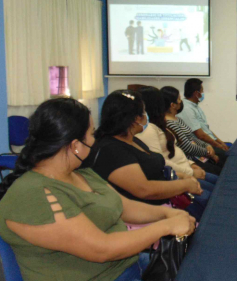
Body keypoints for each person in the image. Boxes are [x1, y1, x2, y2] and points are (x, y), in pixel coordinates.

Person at [0, 98, 196, 281]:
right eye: (90, 134)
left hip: (123, 271)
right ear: (75, 145)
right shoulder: (32, 196)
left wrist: (166, 213)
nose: (95, 140)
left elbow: (124, 207)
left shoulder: (80, 173)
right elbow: (102, 249)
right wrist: (165, 225)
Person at [82, 90, 208, 221]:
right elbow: (144, 189)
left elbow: (155, 168)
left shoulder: (132, 139)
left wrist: (182, 176)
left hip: (169, 201)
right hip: (150, 215)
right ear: (136, 119)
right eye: (143, 112)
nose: (146, 116)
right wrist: (185, 185)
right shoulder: (111, 150)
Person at [137, 86, 218, 186]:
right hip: (178, 175)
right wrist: (191, 171)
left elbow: (180, 146)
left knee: (217, 179)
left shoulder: (160, 124)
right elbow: (160, 161)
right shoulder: (148, 130)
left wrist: (191, 164)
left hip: (187, 166)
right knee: (217, 186)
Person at [162, 85, 225, 176]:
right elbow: (187, 146)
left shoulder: (177, 119)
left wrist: (206, 145)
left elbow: (192, 137)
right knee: (219, 171)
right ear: (173, 105)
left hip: (199, 155)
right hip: (191, 160)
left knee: (223, 161)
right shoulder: (169, 124)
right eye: (179, 99)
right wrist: (207, 153)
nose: (181, 101)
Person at [178, 78, 230, 153]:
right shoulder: (186, 109)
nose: (203, 93)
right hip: (202, 145)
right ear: (196, 93)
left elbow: (206, 130)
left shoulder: (195, 107)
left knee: (229, 147)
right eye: (202, 91)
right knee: (227, 156)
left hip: (210, 142)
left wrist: (221, 142)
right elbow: (200, 135)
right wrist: (218, 145)